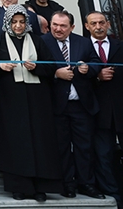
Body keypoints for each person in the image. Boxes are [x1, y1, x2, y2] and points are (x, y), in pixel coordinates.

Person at [0, 5, 62, 201]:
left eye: (22, 22)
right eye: (14, 22)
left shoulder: (37, 41)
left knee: (39, 141)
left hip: (37, 100)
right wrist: (0, 67)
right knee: (15, 142)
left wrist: (37, 67)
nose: (19, 25)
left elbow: (51, 68)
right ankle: (19, 188)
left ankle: (40, 188)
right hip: (10, 100)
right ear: (8, 23)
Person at [42, 11, 104, 199]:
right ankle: (67, 184)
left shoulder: (83, 42)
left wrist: (88, 68)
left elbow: (96, 63)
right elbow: (39, 68)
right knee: (61, 147)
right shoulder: (43, 41)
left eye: (62, 26)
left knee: (84, 146)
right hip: (56, 105)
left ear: (72, 27)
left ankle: (86, 183)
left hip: (81, 105)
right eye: (55, 25)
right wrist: (55, 74)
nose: (58, 29)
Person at [84, 11, 123, 204]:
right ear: (87, 26)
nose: (98, 26)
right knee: (103, 155)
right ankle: (114, 196)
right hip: (98, 112)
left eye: (101, 22)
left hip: (120, 109)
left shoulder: (120, 46)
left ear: (107, 24)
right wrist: (97, 77)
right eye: (94, 23)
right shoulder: (82, 48)